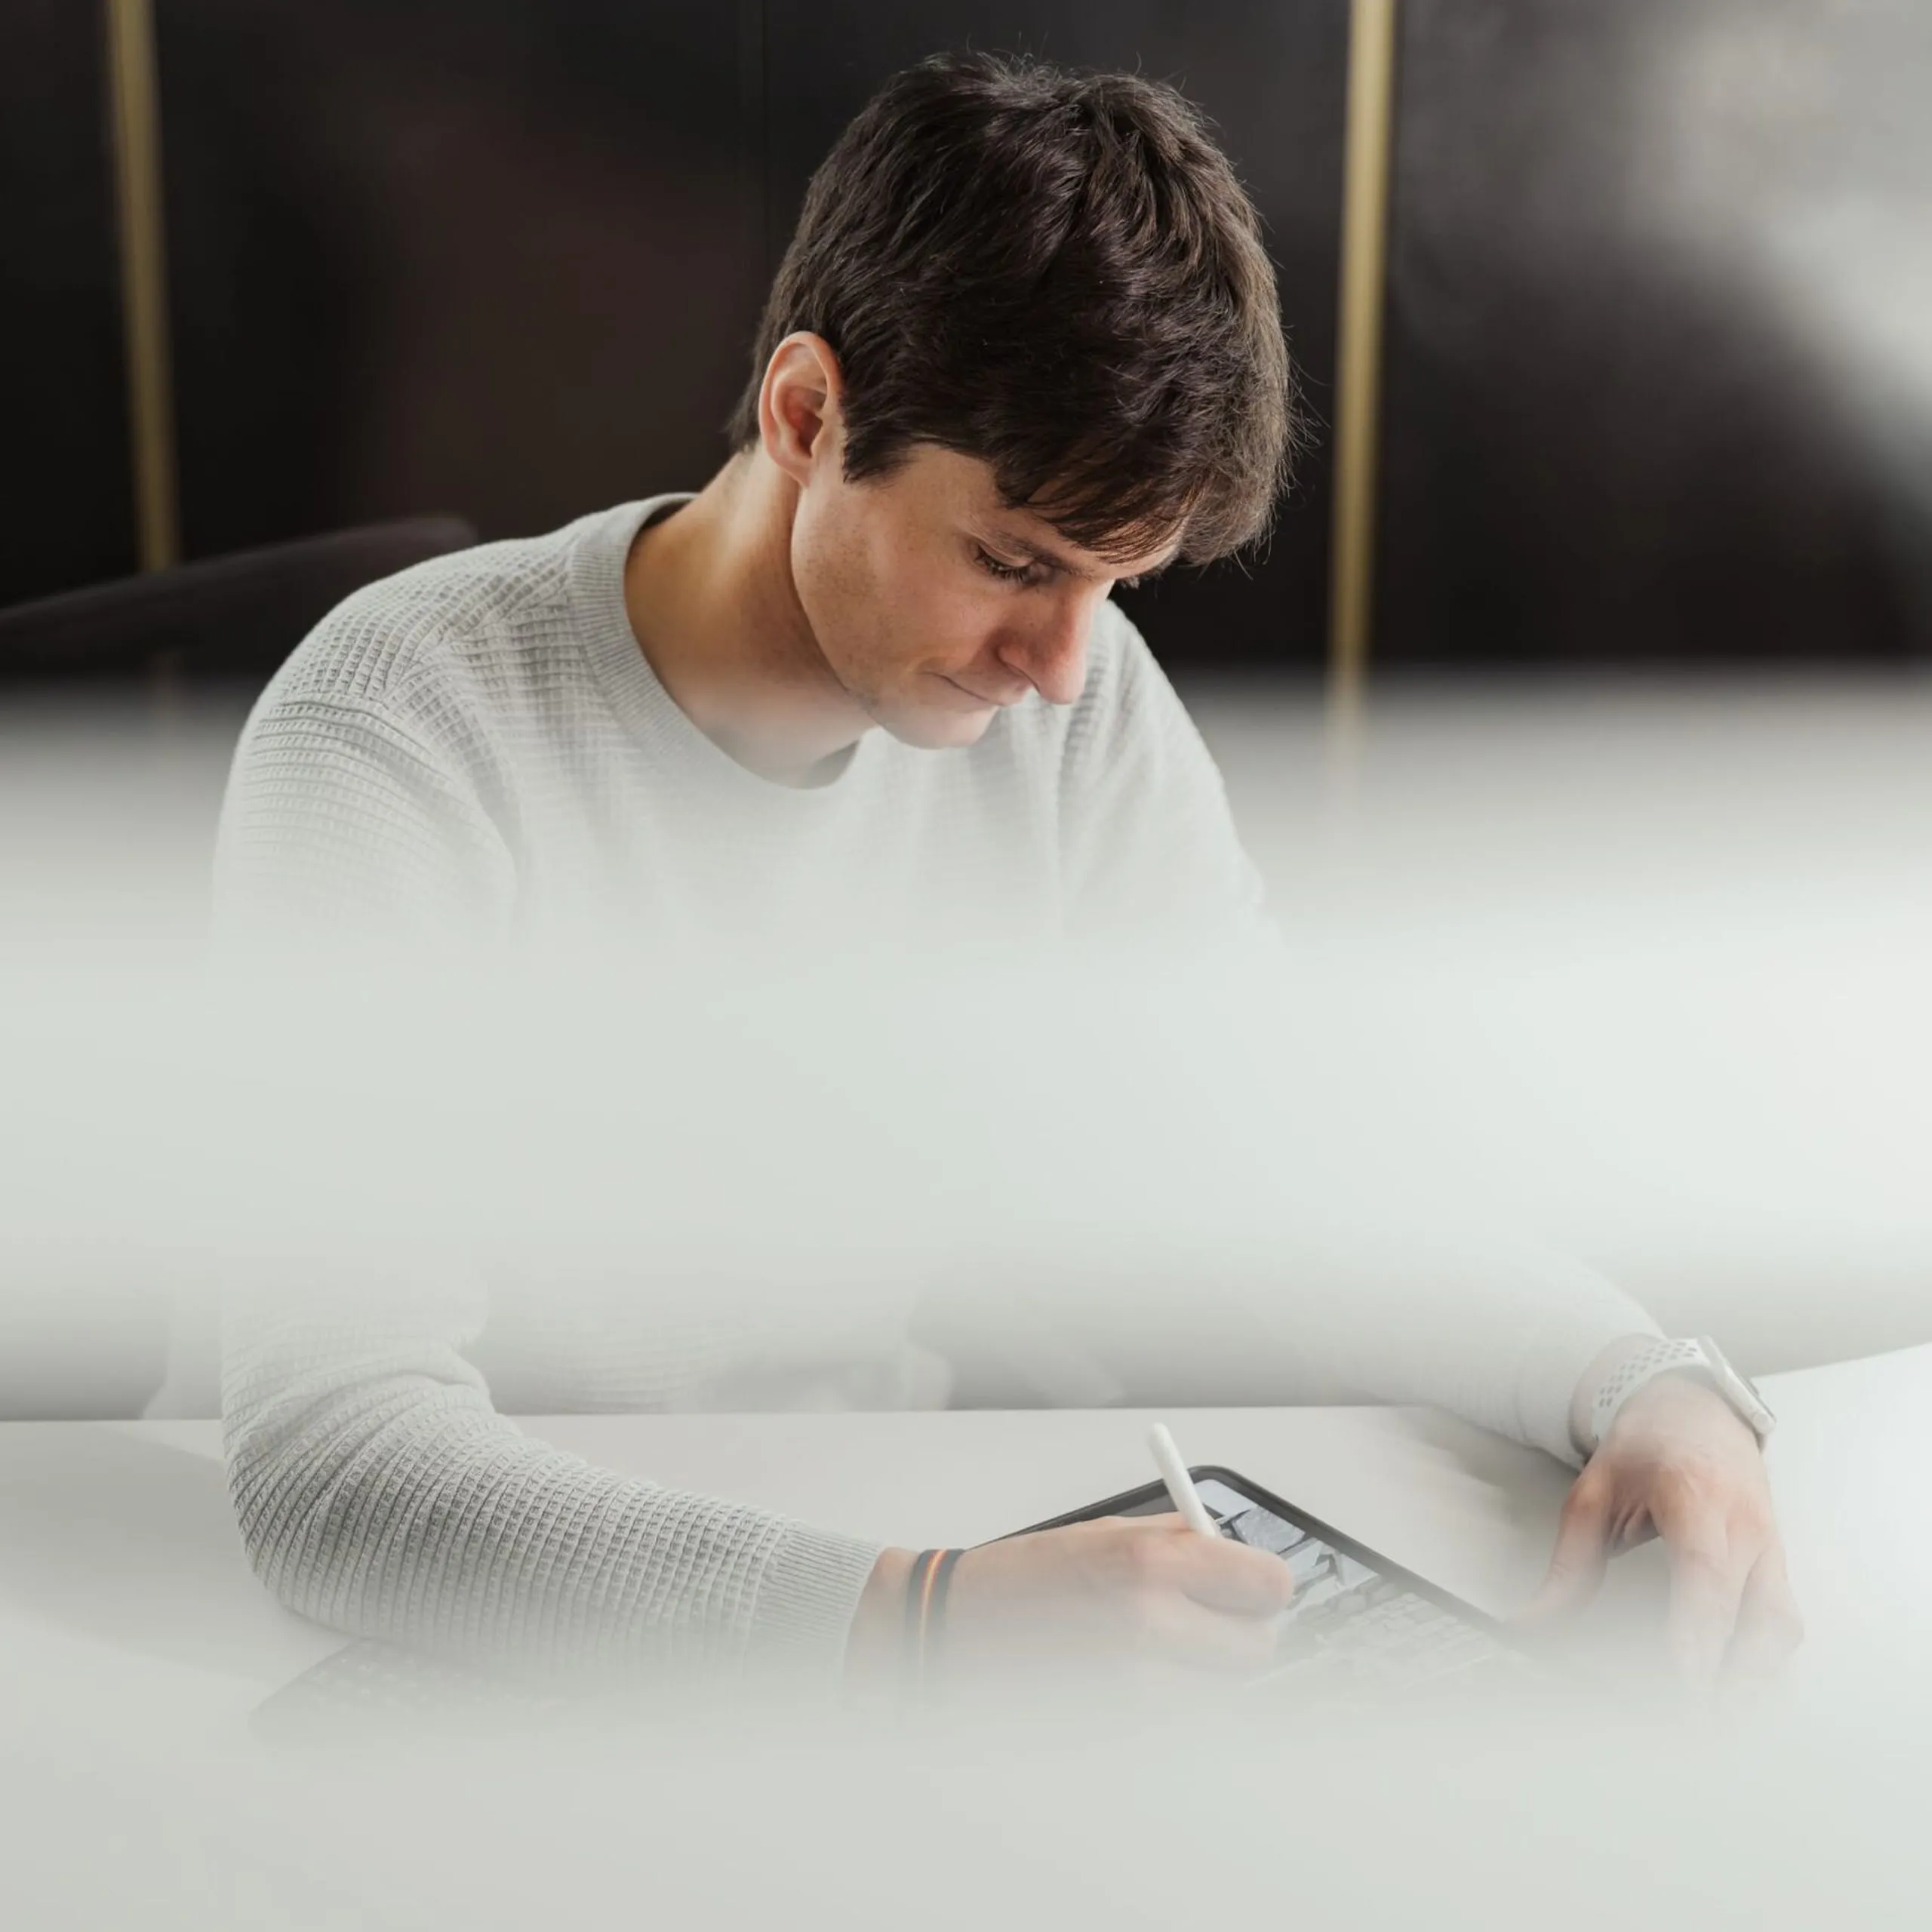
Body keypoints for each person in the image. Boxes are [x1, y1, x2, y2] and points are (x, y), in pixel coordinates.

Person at [213, 52, 1799, 1700]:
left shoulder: (1070, 707)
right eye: (1014, 562)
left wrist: (1642, 1380)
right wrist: (915, 1621)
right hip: (453, 1663)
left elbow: (1282, 1151)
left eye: (1115, 584)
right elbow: (336, 1465)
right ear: (808, 414)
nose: (1058, 666)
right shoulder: (399, 732)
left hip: (874, 1584)